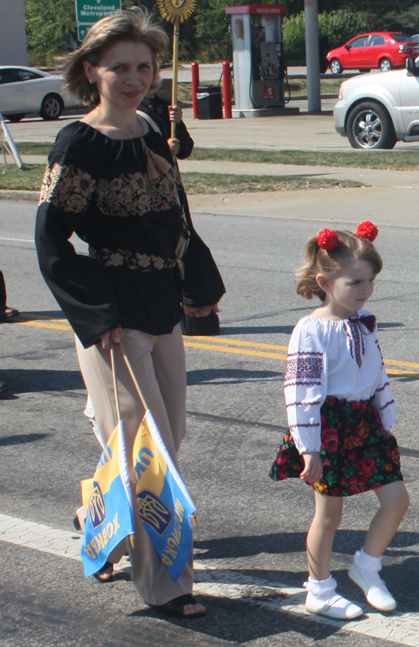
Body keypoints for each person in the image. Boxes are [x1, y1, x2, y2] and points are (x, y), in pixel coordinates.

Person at [35, 8, 225, 618]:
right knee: (153, 451)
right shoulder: (78, 142)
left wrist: (198, 286)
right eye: (120, 67)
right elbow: (51, 241)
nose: (135, 77)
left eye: (143, 66)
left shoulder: (148, 127)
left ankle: (98, 514)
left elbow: (177, 217)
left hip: (163, 305)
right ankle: (168, 585)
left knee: (171, 433)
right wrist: (96, 316)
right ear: (92, 70)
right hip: (114, 316)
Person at [270, 222, 409, 620]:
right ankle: (319, 589)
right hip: (327, 427)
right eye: (355, 282)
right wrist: (307, 447)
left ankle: (367, 566)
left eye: (371, 281)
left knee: (397, 500)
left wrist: (385, 413)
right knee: (329, 514)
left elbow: (377, 370)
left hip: (366, 424)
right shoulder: (311, 330)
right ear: (324, 282)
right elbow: (301, 392)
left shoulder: (364, 320)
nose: (365, 290)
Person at [139, 86, 221, 336]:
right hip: (148, 191)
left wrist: (179, 125)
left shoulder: (165, 107)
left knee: (187, 242)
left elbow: (184, 150)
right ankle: (185, 305)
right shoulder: (130, 111)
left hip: (172, 187)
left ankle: (199, 305)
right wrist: (164, 150)